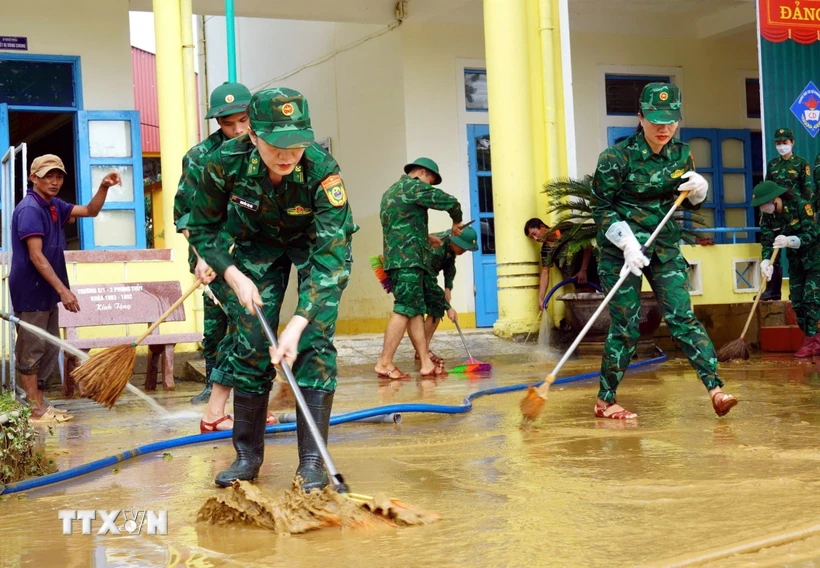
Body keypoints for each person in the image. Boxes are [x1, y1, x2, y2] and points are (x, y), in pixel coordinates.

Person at [187, 87, 356, 491]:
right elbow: (203, 229)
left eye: (296, 144)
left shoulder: (322, 170)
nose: (287, 155)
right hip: (255, 246)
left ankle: (312, 463)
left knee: (315, 342)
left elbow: (331, 260)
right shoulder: (222, 163)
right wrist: (232, 273)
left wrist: (296, 325)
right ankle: (247, 456)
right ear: (253, 135)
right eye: (277, 144)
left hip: (313, 244)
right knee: (249, 340)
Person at [589, 82, 738, 420]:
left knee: (682, 318)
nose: (663, 128)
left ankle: (716, 390)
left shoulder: (681, 153)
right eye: (655, 120)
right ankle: (605, 400)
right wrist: (625, 242)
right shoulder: (617, 158)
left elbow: (686, 195)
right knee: (626, 326)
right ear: (640, 117)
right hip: (621, 250)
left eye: (670, 120)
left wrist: (700, 189)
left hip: (664, 246)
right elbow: (600, 207)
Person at [10, 155, 119, 423]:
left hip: (46, 289)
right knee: (31, 348)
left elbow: (90, 211)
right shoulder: (29, 210)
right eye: (48, 176)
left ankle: (41, 403)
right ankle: (34, 409)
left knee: (49, 346)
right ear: (33, 178)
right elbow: (36, 256)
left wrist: (103, 187)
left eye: (58, 176)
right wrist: (63, 291)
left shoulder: (53, 205)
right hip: (31, 289)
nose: (54, 181)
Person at [174, 81, 253, 433]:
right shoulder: (199, 157)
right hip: (212, 255)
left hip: (254, 254)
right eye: (228, 123)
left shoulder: (264, 149)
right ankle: (220, 402)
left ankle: (238, 401)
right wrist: (203, 256)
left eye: (243, 121)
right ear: (217, 123)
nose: (237, 130)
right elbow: (187, 215)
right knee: (243, 319)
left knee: (247, 323)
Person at [375, 158, 464, 380]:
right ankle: (384, 362)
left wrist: (425, 238)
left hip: (396, 260)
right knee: (404, 309)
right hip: (409, 262)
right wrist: (457, 222)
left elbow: (398, 227)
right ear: (421, 172)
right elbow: (451, 201)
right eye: (429, 182)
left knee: (414, 311)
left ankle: (425, 362)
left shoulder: (390, 192)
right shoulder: (414, 187)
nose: (428, 188)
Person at [753, 180, 820, 357]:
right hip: (796, 263)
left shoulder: (801, 206)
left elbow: (813, 232)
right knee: (797, 303)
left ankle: (809, 341)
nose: (762, 208)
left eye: (763, 204)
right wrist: (766, 262)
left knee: (811, 301)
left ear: (774, 199)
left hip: (815, 260)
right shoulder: (769, 216)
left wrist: (791, 240)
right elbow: (767, 240)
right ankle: (815, 339)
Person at [763, 127, 813, 301]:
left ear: (792, 143)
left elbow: (807, 190)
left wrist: (809, 212)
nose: (781, 146)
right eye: (778, 143)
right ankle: (773, 290)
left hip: (796, 213)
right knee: (773, 247)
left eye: (784, 142)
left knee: (796, 252)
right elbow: (767, 188)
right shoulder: (772, 164)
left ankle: (797, 291)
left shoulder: (801, 163)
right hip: (777, 212)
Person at [415, 226, 479, 363]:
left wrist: (448, 287)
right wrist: (448, 306)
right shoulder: (436, 249)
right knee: (415, 312)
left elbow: (450, 265)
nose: (463, 251)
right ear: (455, 241)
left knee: (436, 308)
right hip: (413, 275)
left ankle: (422, 350)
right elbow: (428, 281)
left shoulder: (451, 247)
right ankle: (422, 351)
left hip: (425, 277)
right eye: (462, 247)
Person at [524, 218, 596, 303]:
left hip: (594, 268)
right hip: (578, 279)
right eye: (532, 238)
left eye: (534, 234)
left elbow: (587, 245)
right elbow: (545, 273)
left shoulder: (566, 228)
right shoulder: (546, 250)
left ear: (542, 226)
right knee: (586, 305)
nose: (536, 238)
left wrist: (583, 270)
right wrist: (541, 298)